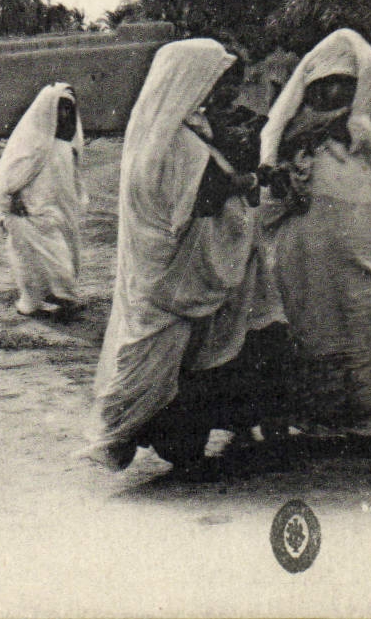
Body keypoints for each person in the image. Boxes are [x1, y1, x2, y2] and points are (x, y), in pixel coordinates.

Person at [86, 39, 287, 474]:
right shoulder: (178, 142)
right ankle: (176, 437)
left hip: (185, 266)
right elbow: (208, 196)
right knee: (178, 352)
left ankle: (194, 435)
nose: (225, 92)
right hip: (181, 272)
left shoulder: (166, 132)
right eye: (216, 81)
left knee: (199, 348)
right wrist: (252, 178)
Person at [259, 29, 371, 460]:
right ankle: (325, 424)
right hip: (309, 254)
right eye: (320, 86)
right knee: (316, 329)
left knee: (370, 327)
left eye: (341, 85)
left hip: (364, 254)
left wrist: (358, 134)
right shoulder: (292, 134)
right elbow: (270, 192)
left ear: (359, 87)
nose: (329, 93)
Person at [0, 85, 86, 318]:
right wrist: (12, 197)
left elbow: (72, 178)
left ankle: (61, 297)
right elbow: (9, 176)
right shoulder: (31, 141)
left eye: (68, 109)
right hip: (29, 213)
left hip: (56, 213)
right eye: (59, 108)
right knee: (37, 260)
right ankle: (50, 300)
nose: (64, 114)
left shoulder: (67, 144)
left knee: (59, 253)